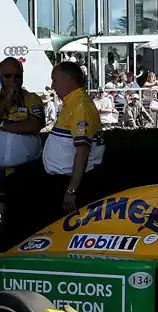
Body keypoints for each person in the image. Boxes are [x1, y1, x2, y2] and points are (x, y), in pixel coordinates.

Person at [42, 61, 104, 217]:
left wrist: (71, 190)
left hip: (72, 183)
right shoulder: (73, 102)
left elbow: (82, 151)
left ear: (67, 80)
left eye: (54, 80)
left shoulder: (80, 105)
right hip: (64, 180)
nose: (52, 85)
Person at [0, 57, 44, 180]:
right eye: (8, 76)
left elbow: (35, 125)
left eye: (17, 76)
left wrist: (0, 124)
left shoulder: (32, 98)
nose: (13, 80)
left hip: (26, 171)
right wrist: (7, 100)